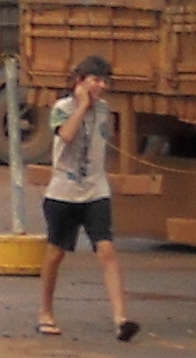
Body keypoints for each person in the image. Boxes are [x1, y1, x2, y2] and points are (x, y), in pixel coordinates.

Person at [39, 56, 139, 343]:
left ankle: (121, 319)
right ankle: (45, 312)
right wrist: (82, 106)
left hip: (96, 190)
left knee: (107, 250)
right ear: (80, 81)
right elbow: (67, 136)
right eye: (95, 80)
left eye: (105, 81)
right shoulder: (62, 109)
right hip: (63, 192)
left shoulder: (105, 111)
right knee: (56, 253)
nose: (101, 86)